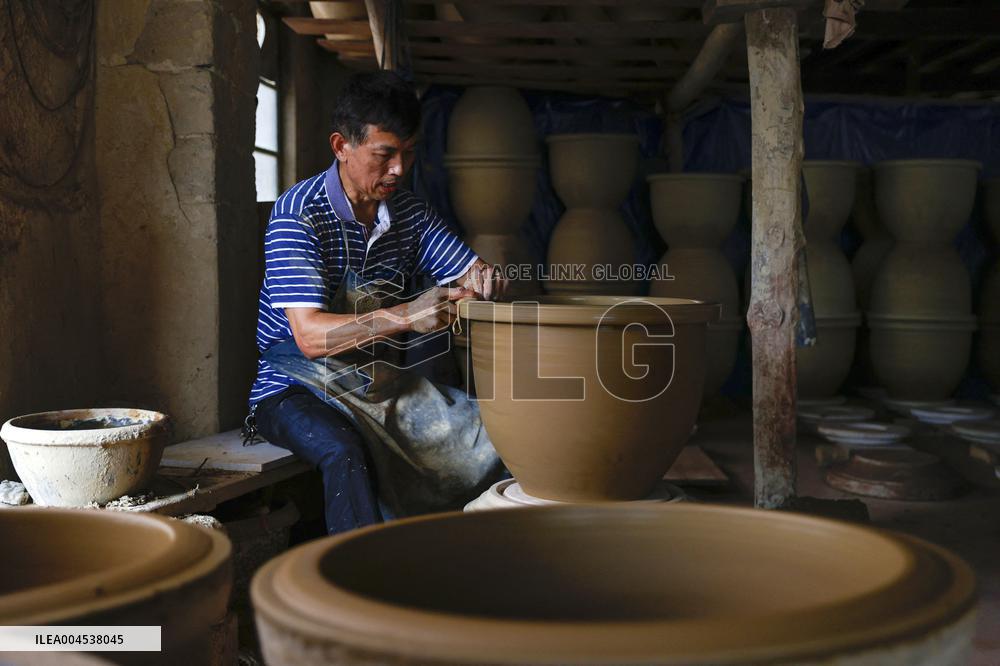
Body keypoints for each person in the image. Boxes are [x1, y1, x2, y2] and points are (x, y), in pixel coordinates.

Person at [245, 71, 506, 535]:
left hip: (377, 386)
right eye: (384, 155)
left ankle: (466, 559)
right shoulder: (298, 216)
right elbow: (309, 336)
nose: (399, 170)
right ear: (341, 146)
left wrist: (484, 280)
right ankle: (360, 587)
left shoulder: (409, 214)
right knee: (345, 451)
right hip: (293, 390)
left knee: (498, 431)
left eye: (408, 153)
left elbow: (470, 270)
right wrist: (408, 315)